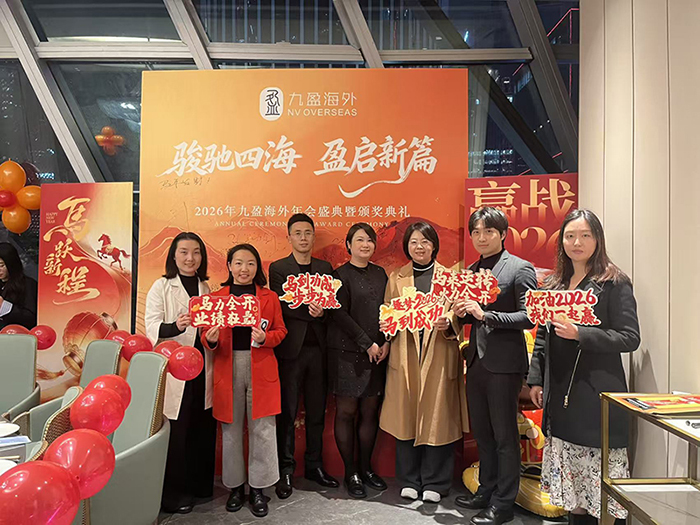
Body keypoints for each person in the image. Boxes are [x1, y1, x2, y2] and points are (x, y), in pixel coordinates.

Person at [527, 209, 639, 525]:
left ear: (597, 239)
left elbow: (630, 337)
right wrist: (536, 380)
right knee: (573, 496)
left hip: (596, 397)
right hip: (561, 396)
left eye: (585, 235)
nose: (577, 242)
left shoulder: (614, 283)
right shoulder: (553, 284)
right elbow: (542, 337)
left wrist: (581, 334)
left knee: (601, 493)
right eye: (570, 236)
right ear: (561, 241)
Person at [453, 207, 538, 525]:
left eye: (488, 231)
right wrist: (457, 314)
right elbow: (468, 317)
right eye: (476, 232)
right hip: (475, 361)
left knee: (504, 437)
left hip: (504, 365)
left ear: (502, 234)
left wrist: (484, 314)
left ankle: (503, 504)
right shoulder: (471, 271)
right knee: (483, 434)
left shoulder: (519, 268)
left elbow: (529, 316)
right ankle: (485, 490)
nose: (481, 237)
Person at [379, 221, 469, 504]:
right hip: (405, 354)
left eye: (425, 241)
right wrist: (388, 324)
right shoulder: (396, 277)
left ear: (434, 245)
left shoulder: (450, 278)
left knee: (438, 419)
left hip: (439, 353)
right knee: (405, 418)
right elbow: (387, 314)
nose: (419, 247)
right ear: (407, 246)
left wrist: (449, 322)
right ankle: (409, 479)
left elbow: (461, 314)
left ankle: (436, 481)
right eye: (414, 242)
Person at [202, 244, 287, 518]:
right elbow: (206, 335)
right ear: (229, 266)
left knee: (262, 429)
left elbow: (281, 331)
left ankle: (259, 488)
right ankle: (236, 487)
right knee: (231, 430)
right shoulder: (217, 298)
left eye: (250, 263)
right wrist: (210, 339)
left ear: (257, 267)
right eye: (238, 263)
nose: (244, 269)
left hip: (261, 367)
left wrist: (266, 338)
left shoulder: (269, 297)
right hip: (228, 366)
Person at [144, 232, 216, 514]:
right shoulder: (161, 286)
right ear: (173, 256)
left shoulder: (206, 288)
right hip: (176, 370)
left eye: (196, 252)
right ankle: (174, 494)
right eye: (184, 252)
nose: (190, 258)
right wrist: (176, 326)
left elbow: (211, 333)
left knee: (201, 427)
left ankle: (200, 487)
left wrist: (212, 335)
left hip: (203, 368)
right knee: (178, 431)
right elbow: (151, 328)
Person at [269, 213, 339, 498]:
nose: (303, 238)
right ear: (289, 238)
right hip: (290, 352)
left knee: (316, 412)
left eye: (307, 233)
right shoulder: (278, 268)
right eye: (297, 233)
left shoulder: (325, 268)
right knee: (286, 413)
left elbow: (332, 305)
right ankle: (285, 470)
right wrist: (312, 311)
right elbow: (281, 305)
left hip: (319, 352)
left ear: (313, 237)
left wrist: (322, 313)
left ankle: (314, 466)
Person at [329, 223, 389, 499]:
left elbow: (389, 311)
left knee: (370, 412)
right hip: (347, 354)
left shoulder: (381, 274)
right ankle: (350, 472)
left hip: (377, 354)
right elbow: (339, 315)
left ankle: (366, 468)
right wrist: (367, 343)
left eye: (370, 240)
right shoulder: (339, 275)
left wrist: (386, 342)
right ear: (349, 245)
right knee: (346, 413)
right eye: (360, 240)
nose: (365, 245)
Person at [0, 242, 37, 330]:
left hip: (16, 335)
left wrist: (4, 306)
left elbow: (30, 318)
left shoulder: (28, 284)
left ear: (11, 264)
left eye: (1, 265)